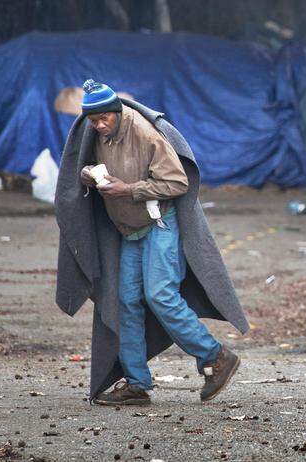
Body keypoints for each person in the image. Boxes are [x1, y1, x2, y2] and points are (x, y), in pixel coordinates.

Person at [55, 80, 249, 406]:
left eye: (105, 118)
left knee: (159, 295)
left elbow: (177, 182)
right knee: (125, 302)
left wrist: (128, 190)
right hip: (129, 231)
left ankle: (215, 357)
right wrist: (88, 173)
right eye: (93, 120)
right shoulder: (95, 134)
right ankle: (136, 383)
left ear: (117, 112)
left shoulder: (145, 134)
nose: (100, 125)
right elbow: (84, 163)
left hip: (160, 223)